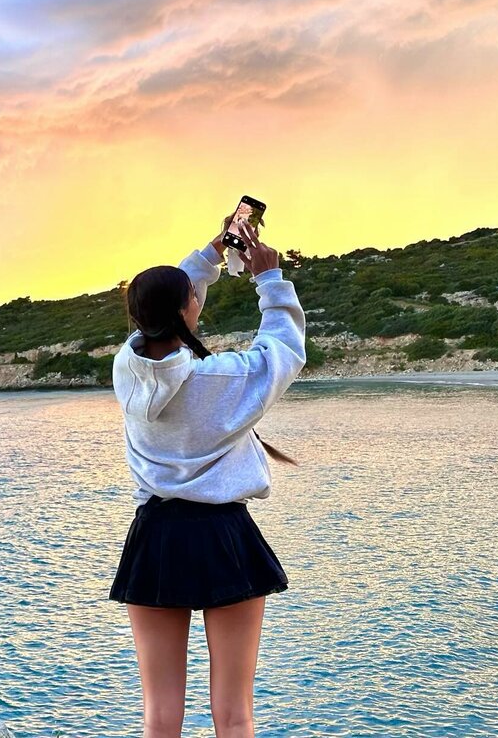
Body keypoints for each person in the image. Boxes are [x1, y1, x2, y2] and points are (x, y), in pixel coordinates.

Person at [108, 215, 307, 738]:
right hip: (224, 536)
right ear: (186, 310)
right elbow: (283, 350)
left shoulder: (126, 370)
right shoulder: (220, 379)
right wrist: (269, 279)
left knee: (160, 713)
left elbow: (165, 304)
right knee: (235, 712)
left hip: (156, 536)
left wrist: (213, 251)